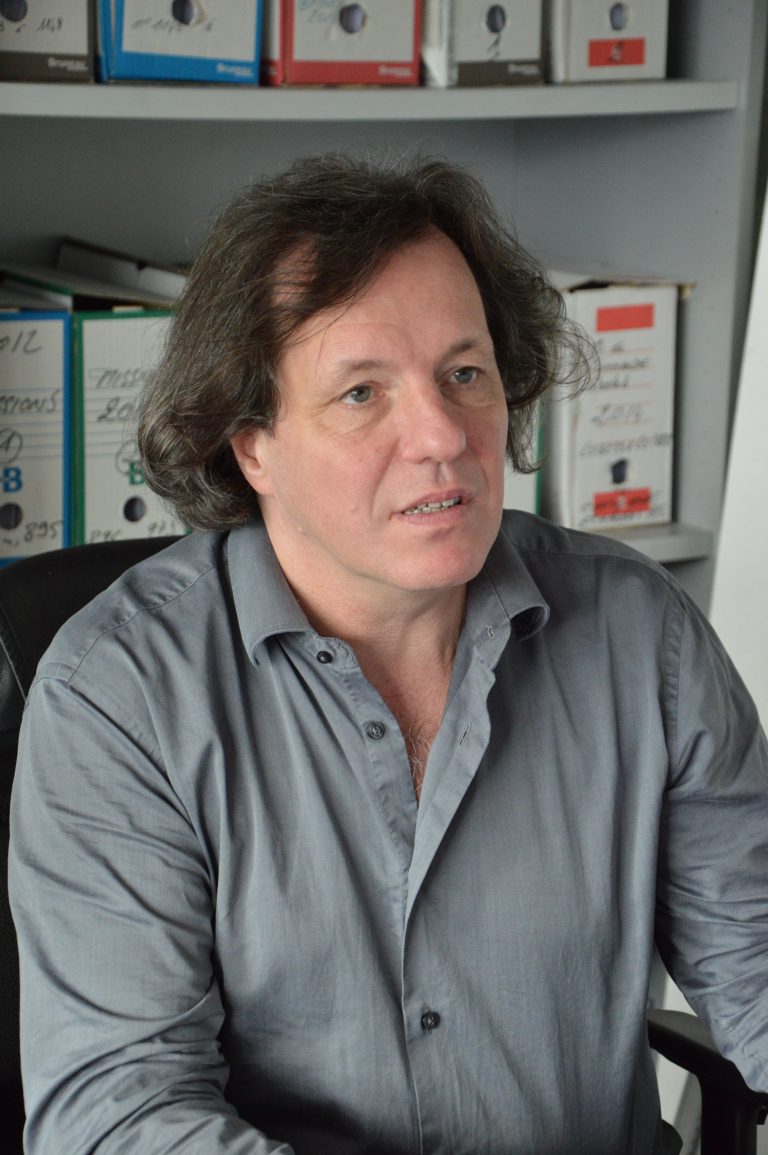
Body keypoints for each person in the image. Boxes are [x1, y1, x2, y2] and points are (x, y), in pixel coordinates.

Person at [9, 153, 768, 1155]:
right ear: (252, 444)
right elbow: (117, 1115)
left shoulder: (641, 635)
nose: (442, 436)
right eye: (363, 392)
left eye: (465, 374)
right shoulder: (120, 696)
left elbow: (757, 961)